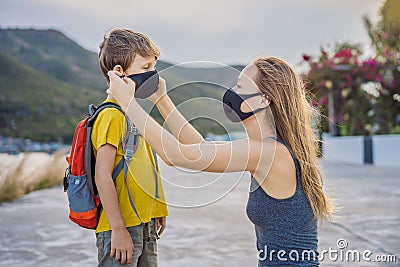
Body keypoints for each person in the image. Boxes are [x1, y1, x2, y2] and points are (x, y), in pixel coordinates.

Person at [107, 56, 334, 266]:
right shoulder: (265, 148)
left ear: (264, 100)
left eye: (239, 86)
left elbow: (175, 155)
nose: (231, 91)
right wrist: (162, 100)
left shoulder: (269, 153)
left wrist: (128, 103)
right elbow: (199, 148)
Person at [93, 28, 168, 267]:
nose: (152, 74)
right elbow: (102, 174)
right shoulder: (111, 115)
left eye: (154, 68)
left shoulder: (133, 112)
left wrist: (159, 205)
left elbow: (146, 162)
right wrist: (118, 229)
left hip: (145, 223)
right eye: (145, 68)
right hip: (122, 226)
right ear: (119, 72)